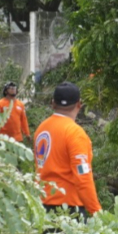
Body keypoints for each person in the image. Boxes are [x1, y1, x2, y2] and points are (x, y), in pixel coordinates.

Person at [33, 82, 101, 218]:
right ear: (79, 105)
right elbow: (83, 175)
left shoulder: (41, 128)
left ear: (53, 103)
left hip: (41, 207)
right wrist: (96, 211)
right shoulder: (75, 133)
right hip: (68, 210)